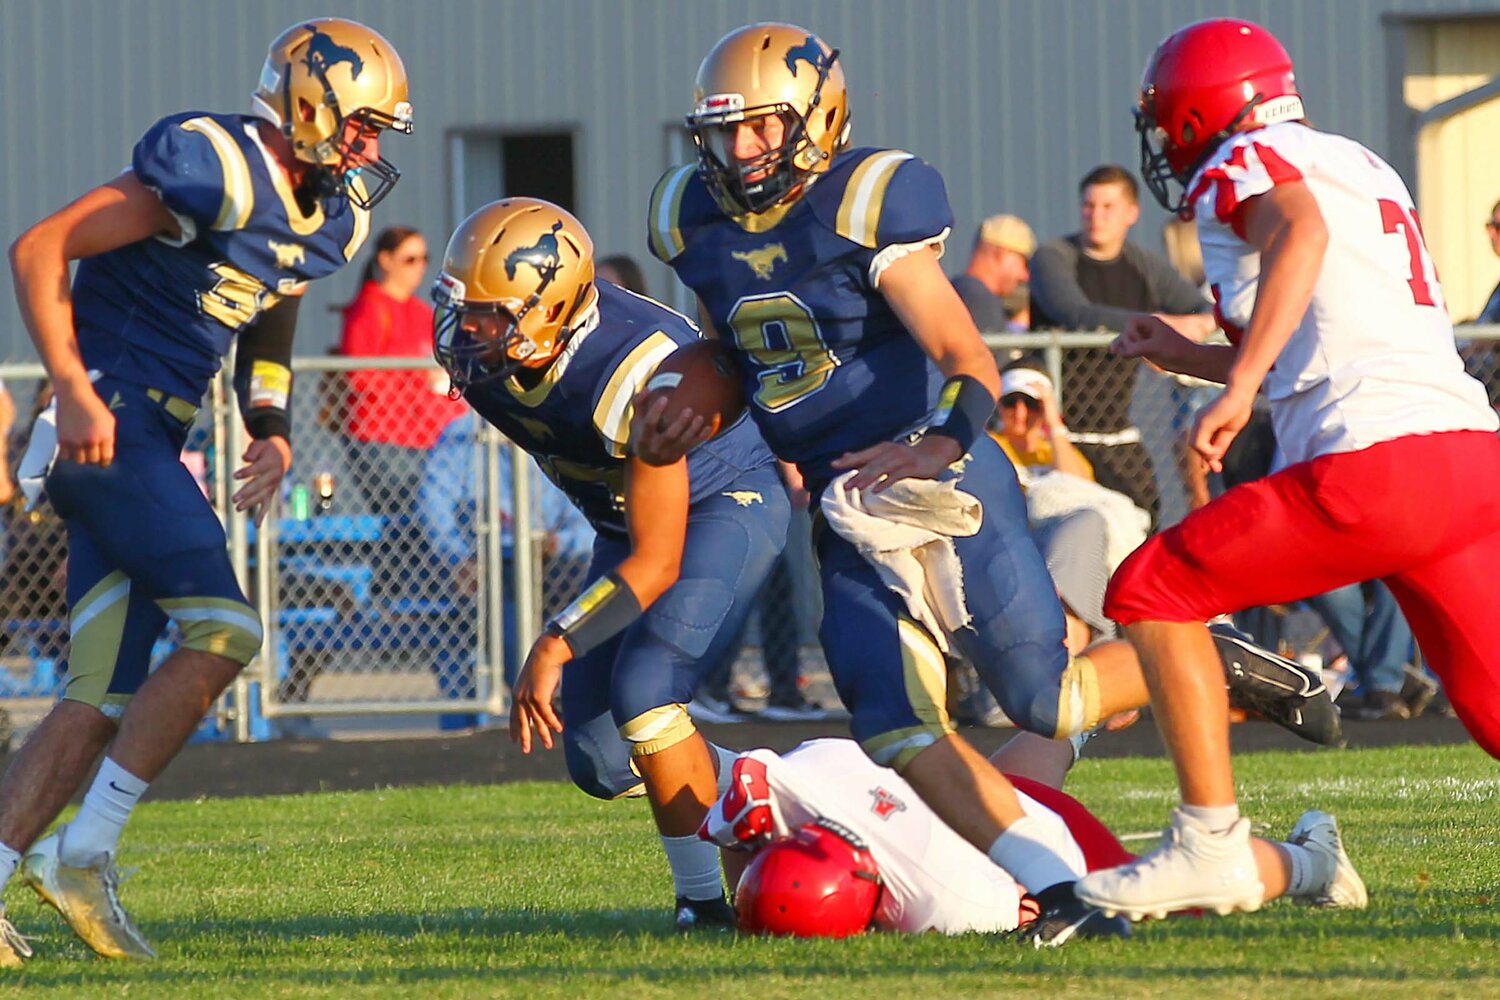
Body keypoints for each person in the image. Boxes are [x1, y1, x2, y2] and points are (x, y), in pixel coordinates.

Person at [641, 21, 1327, 946]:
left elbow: (967, 354)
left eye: (762, 127)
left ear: (816, 119)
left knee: (1041, 701)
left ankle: (1205, 653)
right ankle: (1055, 889)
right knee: (890, 722)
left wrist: (939, 442)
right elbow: (742, 345)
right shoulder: (694, 218)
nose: (742, 149)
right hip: (844, 504)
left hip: (941, 473)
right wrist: (695, 396)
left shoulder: (867, 202)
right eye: (726, 131)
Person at [0, 18, 412, 965]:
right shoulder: (216, 164)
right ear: (307, 106)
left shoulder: (328, 215)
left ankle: (38, 860)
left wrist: (268, 424)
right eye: (361, 126)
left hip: (152, 435)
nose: (372, 148)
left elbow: (275, 294)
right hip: (111, 427)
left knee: (95, 697)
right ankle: (86, 849)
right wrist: (66, 387)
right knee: (227, 630)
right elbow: (40, 246)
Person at [1076, 17, 1500, 923]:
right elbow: (1324, 333)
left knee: (1152, 588)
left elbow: (1299, 236)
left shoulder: (1249, 163)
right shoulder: (1359, 162)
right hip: (1466, 456)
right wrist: (1193, 357)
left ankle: (1209, 846)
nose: (1163, 140)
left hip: (1376, 465)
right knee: (1495, 708)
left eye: (1168, 119)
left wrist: (1235, 392)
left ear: (1202, 112)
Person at [431, 197, 789, 931]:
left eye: (490, 313)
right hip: (628, 525)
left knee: (647, 692)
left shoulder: (634, 374)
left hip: (721, 505)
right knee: (600, 760)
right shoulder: (500, 357)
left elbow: (658, 560)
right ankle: (766, 788)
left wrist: (556, 639)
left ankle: (700, 907)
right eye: (463, 306)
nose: (468, 328)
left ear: (551, 309)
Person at [702, 736, 1365, 940]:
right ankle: (1071, 719)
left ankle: (1313, 862)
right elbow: (736, 817)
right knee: (1008, 780)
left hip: (1047, 846)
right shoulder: (802, 778)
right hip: (969, 791)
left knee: (1192, 883)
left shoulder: (945, 905)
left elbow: (729, 830)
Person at [1029, 165, 1215, 522]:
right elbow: (1074, 313)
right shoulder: (1054, 256)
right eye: (1089, 206)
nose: (1095, 216)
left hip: (1116, 431)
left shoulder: (1142, 264)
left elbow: (1198, 308)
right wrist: (1158, 325)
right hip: (1057, 432)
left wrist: (1204, 321)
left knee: (1142, 523)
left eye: (1107, 207)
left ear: (1132, 213)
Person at [337, 227, 468, 518]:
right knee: (406, 520)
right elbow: (358, 375)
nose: (420, 266)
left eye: (424, 259)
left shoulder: (422, 312)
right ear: (385, 261)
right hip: (384, 438)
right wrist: (418, 380)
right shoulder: (369, 309)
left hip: (428, 439)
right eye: (410, 259)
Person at [952, 214, 1036, 333]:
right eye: (1024, 263)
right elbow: (989, 352)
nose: (1025, 276)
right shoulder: (981, 299)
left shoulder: (952, 291)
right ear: (1001, 254)